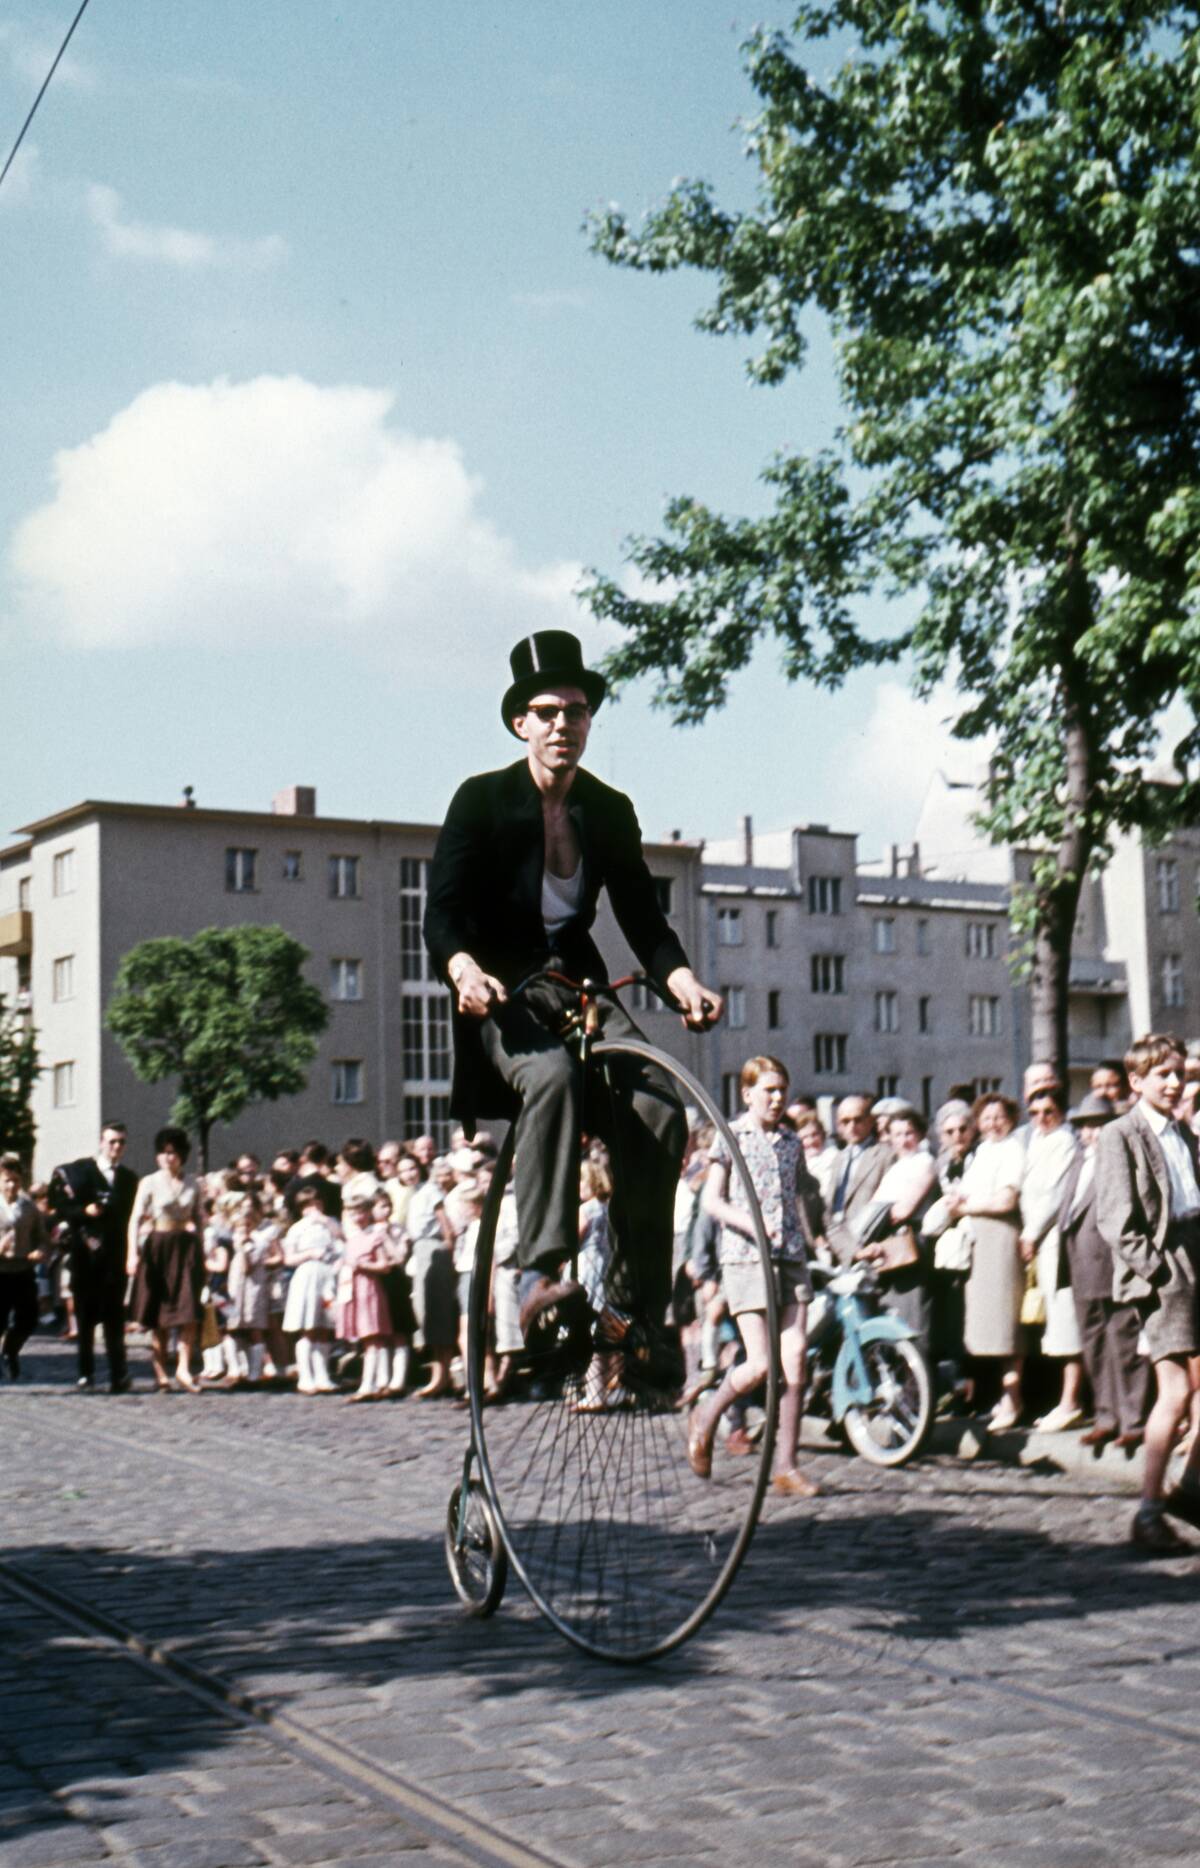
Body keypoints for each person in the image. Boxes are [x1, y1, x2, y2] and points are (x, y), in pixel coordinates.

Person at [423, 629, 721, 1349]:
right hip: (501, 985)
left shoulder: (607, 808)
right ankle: (544, 1272)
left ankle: (630, 1313)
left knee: (658, 1107)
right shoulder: (482, 800)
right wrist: (463, 969)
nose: (564, 726)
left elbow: (644, 916)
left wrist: (681, 978)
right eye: (549, 711)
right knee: (551, 1076)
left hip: (578, 979)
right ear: (521, 721)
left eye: (577, 712)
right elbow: (443, 910)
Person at [690, 1055, 822, 1498]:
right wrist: (750, 1223)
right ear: (747, 1094)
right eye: (768, 1090)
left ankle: (786, 1466)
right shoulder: (731, 1137)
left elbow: (803, 1197)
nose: (777, 1098)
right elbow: (711, 1200)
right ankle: (707, 1416)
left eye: (782, 1090)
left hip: (790, 1258)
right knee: (761, 1364)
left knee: (797, 1355)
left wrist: (825, 1239)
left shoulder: (790, 1141)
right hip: (746, 1259)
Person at [1095, 1033, 1200, 1552]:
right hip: (1168, 1269)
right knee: (1177, 1392)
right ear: (1136, 1081)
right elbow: (1114, 1217)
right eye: (1163, 1074)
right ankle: (1150, 1508)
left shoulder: (1185, 1135)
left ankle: (1186, 1488)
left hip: (1196, 1253)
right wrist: (1158, 1271)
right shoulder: (1122, 1134)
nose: (1175, 1082)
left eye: (1180, 1073)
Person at [1058, 1093, 1149, 1451]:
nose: (1089, 1134)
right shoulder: (1079, 1162)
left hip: (1112, 1267)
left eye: (1097, 1126)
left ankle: (1134, 1421)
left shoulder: (1121, 1161)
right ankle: (1105, 1416)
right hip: (1082, 1268)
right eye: (1084, 1127)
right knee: (1094, 1345)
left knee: (1124, 1345)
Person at [944, 1093, 1025, 1427]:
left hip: (1001, 1239)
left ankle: (1013, 1401)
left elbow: (1005, 1200)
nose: (992, 1123)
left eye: (999, 1116)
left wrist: (965, 1207)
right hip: (981, 1241)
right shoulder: (982, 1152)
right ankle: (999, 1398)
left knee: (1006, 1327)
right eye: (986, 1117)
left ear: (1010, 1118)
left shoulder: (1013, 1149)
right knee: (988, 1329)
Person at [49, 1121, 138, 1392]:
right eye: (112, 1142)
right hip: (85, 1256)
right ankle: (86, 1374)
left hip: (114, 1258)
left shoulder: (129, 1179)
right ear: (101, 1142)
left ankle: (118, 1374)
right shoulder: (80, 1171)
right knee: (85, 1320)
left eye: (121, 1142)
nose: (116, 1147)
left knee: (114, 1320)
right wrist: (84, 1212)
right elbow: (60, 1208)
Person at [1019, 1082, 1083, 1431]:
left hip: (1054, 1239)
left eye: (1048, 1112)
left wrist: (1030, 1233)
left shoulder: (1063, 1141)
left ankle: (1070, 1401)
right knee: (1048, 1322)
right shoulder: (1036, 1143)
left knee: (1064, 1320)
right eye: (1035, 1113)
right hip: (1038, 1242)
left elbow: (1054, 1195)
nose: (1042, 1119)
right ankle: (1056, 1398)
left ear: (1061, 1112)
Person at [127, 1126, 207, 1393]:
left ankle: (183, 1368)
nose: (167, 1158)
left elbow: (200, 1219)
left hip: (185, 1249)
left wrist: (203, 1252)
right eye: (163, 1152)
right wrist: (132, 1254)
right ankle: (160, 1370)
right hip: (158, 1249)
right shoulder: (148, 1182)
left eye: (172, 1153)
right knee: (158, 1315)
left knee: (188, 1313)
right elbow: (135, 1219)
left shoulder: (192, 1183)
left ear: (181, 1154)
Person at [824, 1096, 891, 1267]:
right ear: (838, 1126)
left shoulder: (885, 1155)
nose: (852, 1127)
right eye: (845, 1122)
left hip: (869, 1245)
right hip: (839, 1247)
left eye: (857, 1120)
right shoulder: (837, 1159)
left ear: (870, 1121)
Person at [0, 1154, 46, 1381]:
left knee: (28, 1318)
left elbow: (43, 1237)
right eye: (6, 1180)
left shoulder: (28, 1206)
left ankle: (10, 1350)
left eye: (15, 1180)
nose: (11, 1185)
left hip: (22, 1270)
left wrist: (40, 1250)